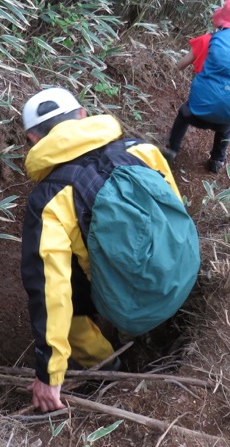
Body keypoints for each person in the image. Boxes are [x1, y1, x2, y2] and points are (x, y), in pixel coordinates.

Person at [20, 87, 184, 412]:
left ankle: (110, 368)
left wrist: (49, 373)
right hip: (180, 278)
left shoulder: (50, 199)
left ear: (33, 139)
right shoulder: (143, 150)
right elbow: (175, 212)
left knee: (63, 301)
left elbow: (50, 291)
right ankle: (142, 334)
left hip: (131, 306)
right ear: (82, 115)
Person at [164, 0, 230, 172]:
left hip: (198, 111)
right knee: (226, 126)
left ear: (223, 19)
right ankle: (217, 160)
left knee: (183, 114)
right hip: (228, 116)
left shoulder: (208, 41)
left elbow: (180, 65)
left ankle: (171, 149)